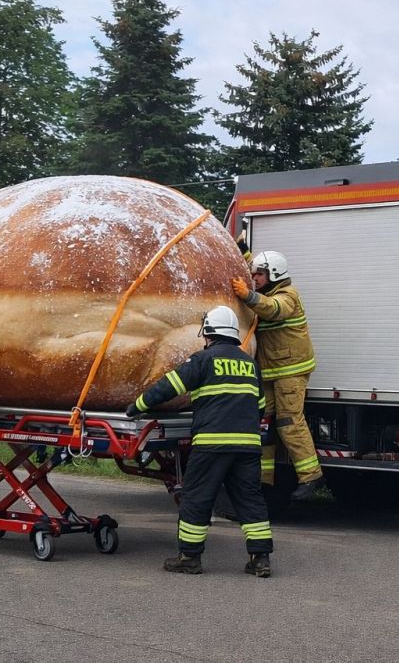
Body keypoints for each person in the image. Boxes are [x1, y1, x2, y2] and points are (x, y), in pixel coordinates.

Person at [125, 305, 273, 577]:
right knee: (250, 500)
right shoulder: (250, 365)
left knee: (197, 498)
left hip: (212, 445)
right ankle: (260, 559)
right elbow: (260, 406)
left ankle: (189, 558)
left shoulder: (203, 360)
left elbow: (169, 386)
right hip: (248, 446)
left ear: (208, 333)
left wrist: (138, 405)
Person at [231, 247, 324, 500]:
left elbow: (274, 308)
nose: (255, 278)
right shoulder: (268, 291)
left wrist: (248, 295)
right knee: (264, 425)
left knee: (289, 423)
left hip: (290, 373)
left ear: (273, 274)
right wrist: (244, 253)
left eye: (259, 275)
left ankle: (311, 476)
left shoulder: (287, 295)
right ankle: (263, 481)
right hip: (271, 372)